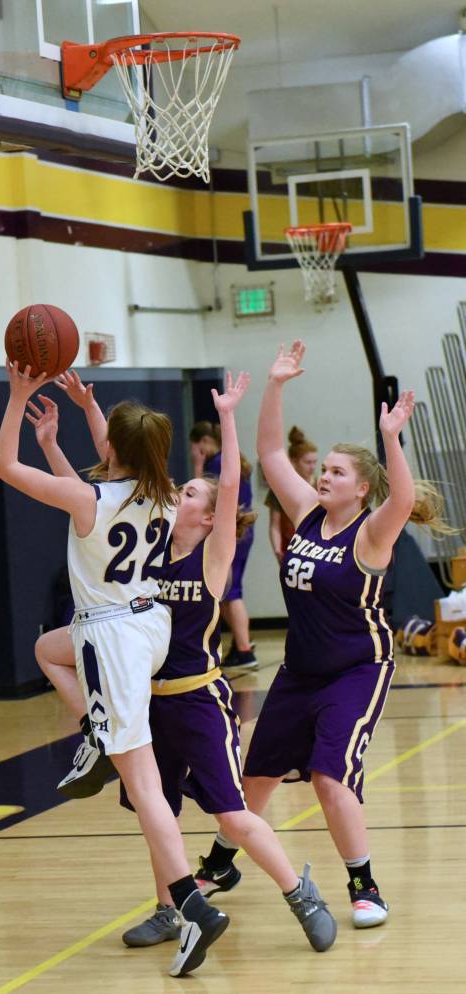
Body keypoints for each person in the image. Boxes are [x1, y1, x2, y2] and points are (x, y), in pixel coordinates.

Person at [28, 370, 338, 956]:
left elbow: (229, 483)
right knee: (158, 811)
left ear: (210, 516)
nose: (180, 494)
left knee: (233, 816)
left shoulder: (214, 557)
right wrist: (87, 414)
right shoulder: (149, 544)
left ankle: (302, 894)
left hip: (198, 699)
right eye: (182, 490)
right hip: (149, 701)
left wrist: (227, 417)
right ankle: (169, 910)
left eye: (192, 493)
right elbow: (111, 476)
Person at [199, 340, 446, 930]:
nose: (325, 475)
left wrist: (391, 438)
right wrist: (276, 384)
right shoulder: (308, 513)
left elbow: (402, 497)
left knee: (328, 777)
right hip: (299, 670)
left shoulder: (372, 534)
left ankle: (365, 886)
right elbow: (268, 452)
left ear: (361, 488)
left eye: (337, 471)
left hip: (357, 670)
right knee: (256, 775)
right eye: (324, 468)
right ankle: (223, 862)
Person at [0, 360, 229, 979]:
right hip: (149, 627)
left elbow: (5, 467)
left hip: (112, 637)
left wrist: (18, 399)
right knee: (50, 649)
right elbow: (116, 458)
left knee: (145, 786)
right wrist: (76, 421)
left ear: (112, 449)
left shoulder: (90, 498)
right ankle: (96, 734)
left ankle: (192, 908)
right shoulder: (164, 493)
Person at [189, 419, 257, 669]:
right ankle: (242, 644)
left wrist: (198, 467)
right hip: (243, 532)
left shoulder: (215, 464)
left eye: (195, 447)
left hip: (233, 533)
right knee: (230, 591)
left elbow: (202, 499)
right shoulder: (229, 460)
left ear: (205, 442)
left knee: (232, 592)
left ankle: (244, 649)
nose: (194, 453)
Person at [265, 426, 318, 562]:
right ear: (293, 462)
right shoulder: (280, 487)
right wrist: (277, 549)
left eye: (315, 462)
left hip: (316, 547)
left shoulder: (321, 486)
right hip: (290, 545)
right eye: (308, 462)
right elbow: (275, 524)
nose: (312, 467)